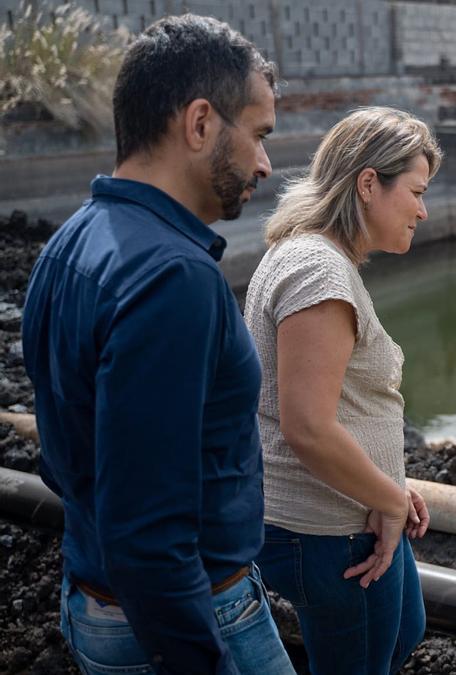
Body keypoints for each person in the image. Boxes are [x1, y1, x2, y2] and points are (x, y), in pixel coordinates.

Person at [21, 14, 294, 675]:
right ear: (199, 123)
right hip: (188, 617)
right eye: (257, 134)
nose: (265, 161)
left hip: (97, 597)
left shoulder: (68, 245)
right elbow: (149, 532)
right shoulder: (174, 278)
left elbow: (65, 459)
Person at [245, 107, 439, 675]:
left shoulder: (313, 257)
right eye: (417, 191)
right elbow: (308, 427)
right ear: (368, 183)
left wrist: (390, 490)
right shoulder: (318, 274)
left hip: (356, 511)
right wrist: (387, 498)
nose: (424, 210)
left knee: (406, 629)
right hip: (326, 531)